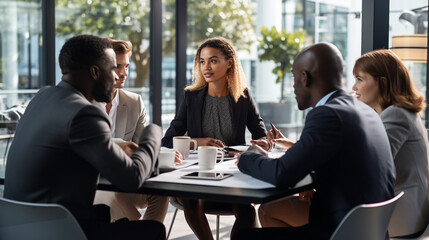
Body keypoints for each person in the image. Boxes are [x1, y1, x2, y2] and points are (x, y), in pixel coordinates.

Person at [3, 35, 165, 240]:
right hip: (61, 231)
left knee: (104, 214)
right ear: (95, 72)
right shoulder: (85, 114)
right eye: (113, 69)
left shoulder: (42, 97)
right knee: (153, 231)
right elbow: (131, 178)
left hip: (19, 227)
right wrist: (153, 134)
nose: (117, 77)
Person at [233, 42, 396, 240]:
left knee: (243, 236)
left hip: (337, 233)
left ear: (305, 77)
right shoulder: (364, 110)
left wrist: (246, 158)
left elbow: (282, 173)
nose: (293, 86)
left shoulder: (327, 114)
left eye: (294, 78)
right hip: (369, 231)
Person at [161, 37, 268, 239]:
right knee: (192, 203)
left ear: (229, 63)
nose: (206, 67)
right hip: (196, 174)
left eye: (213, 60)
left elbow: (259, 134)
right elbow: (167, 140)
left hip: (231, 175)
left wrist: (260, 144)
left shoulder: (243, 96)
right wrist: (195, 142)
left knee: (247, 212)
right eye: (202, 61)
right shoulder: (190, 97)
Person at [93, 38, 173, 223]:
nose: (123, 73)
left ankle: (148, 234)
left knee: (160, 193)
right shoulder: (84, 103)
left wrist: (163, 156)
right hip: (91, 183)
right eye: (117, 67)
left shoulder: (134, 102)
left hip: (124, 178)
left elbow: (139, 152)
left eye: (127, 66)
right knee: (111, 193)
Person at [352, 49, 429, 238]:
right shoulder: (398, 113)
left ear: (383, 83)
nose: (354, 87)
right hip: (405, 214)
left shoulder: (396, 114)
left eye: (360, 79)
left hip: (402, 220)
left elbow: (371, 166)